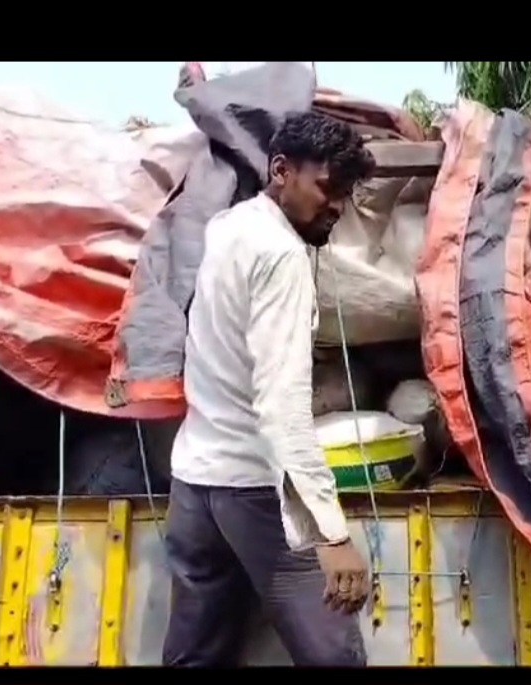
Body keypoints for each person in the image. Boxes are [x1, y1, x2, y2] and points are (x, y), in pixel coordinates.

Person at [161, 111, 377, 667]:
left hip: (194, 484)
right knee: (334, 658)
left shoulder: (227, 227)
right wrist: (331, 535)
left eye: (346, 194)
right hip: (253, 489)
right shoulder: (281, 256)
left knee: (194, 658)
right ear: (281, 171)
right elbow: (282, 407)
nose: (337, 206)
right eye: (327, 188)